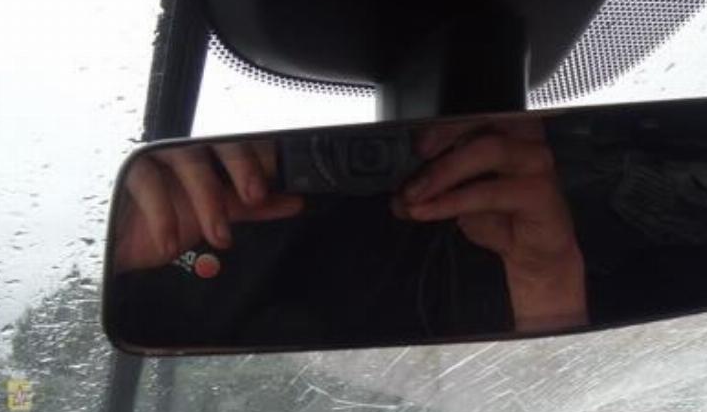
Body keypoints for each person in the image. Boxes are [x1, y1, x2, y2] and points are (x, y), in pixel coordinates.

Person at [108, 118, 589, 349]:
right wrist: (121, 249)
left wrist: (545, 275)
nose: (359, 154)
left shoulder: (490, 210)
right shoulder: (185, 218)